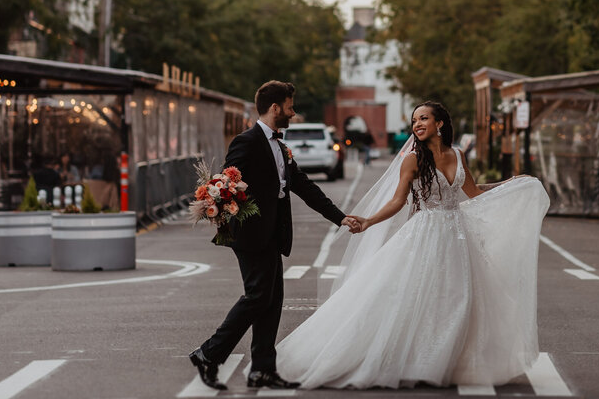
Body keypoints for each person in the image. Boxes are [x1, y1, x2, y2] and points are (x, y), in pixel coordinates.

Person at [274, 101, 549, 390]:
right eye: (415, 120)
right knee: (411, 296)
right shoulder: (412, 160)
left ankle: (442, 361)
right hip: (425, 234)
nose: (417, 124)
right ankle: (410, 360)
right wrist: (368, 221)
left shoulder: (457, 155)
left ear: (439, 123)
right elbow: (397, 201)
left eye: (424, 119)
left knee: (457, 298)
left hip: (457, 236)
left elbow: (474, 191)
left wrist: (512, 183)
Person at [188, 81, 359, 392]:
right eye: (290, 106)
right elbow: (227, 183)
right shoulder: (247, 142)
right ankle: (209, 353)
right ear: (276, 107)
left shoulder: (280, 147)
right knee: (257, 296)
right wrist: (227, 215)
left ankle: (262, 370)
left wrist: (340, 217)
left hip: (272, 235)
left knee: (272, 300)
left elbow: (303, 186)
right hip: (250, 235)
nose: (293, 113)